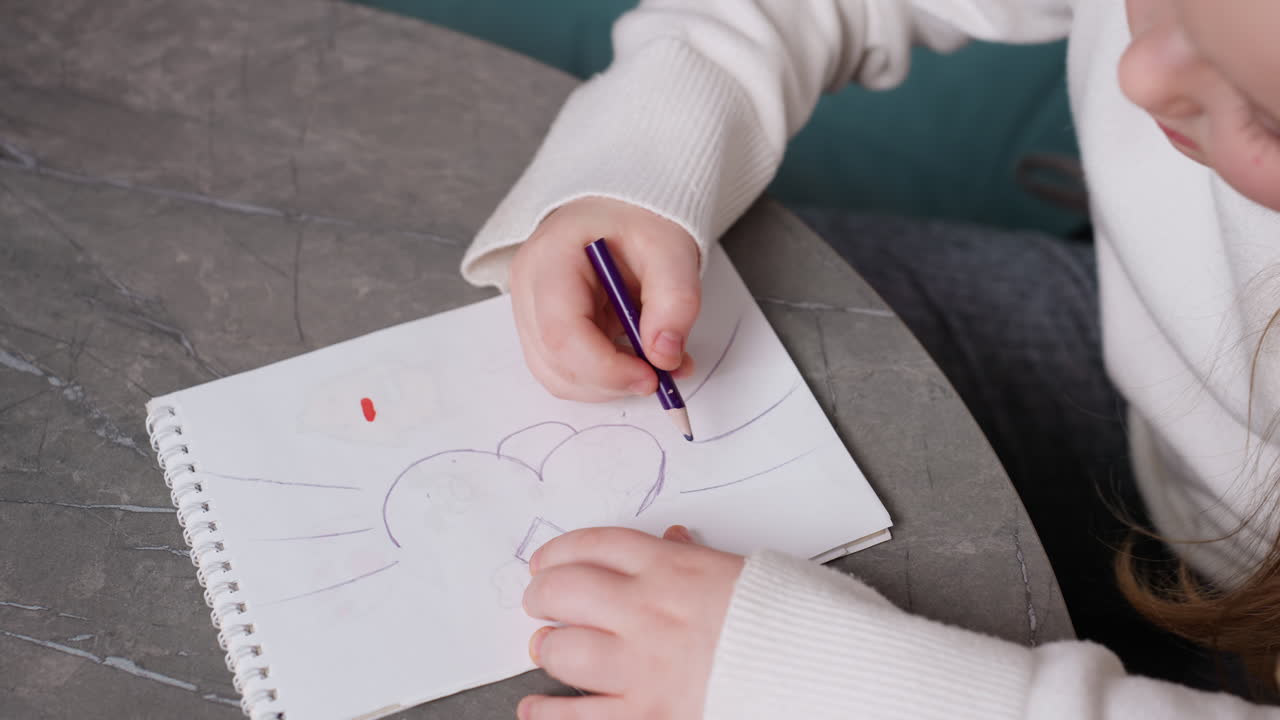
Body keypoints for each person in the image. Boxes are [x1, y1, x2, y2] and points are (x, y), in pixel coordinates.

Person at [459, 1, 1280, 717]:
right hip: (1146, 394)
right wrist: (641, 162)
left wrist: (814, 682)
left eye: (1266, 115)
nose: (1139, 78)